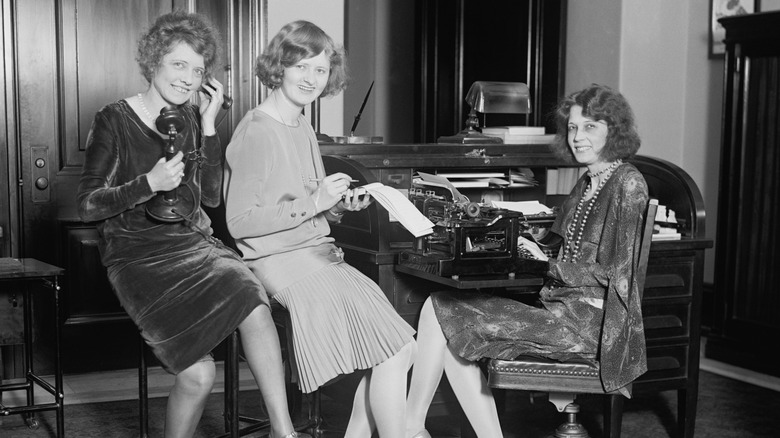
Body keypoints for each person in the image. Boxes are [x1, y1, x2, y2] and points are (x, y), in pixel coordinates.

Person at [77, 11, 307, 438]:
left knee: (253, 300)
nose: (188, 78)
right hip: (137, 257)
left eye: (198, 69)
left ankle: (283, 431)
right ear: (154, 62)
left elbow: (211, 196)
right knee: (199, 376)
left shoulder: (187, 119)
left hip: (193, 245)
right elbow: (89, 205)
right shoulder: (114, 119)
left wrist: (207, 126)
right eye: (179, 65)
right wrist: (148, 183)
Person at [404, 84, 650, 438]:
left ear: (614, 131)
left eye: (591, 127)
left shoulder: (628, 184)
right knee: (441, 311)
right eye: (573, 127)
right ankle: (415, 428)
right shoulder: (589, 181)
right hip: (561, 309)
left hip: (590, 326)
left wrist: (545, 265)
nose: (579, 137)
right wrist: (531, 244)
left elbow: (618, 276)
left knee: (441, 312)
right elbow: (567, 245)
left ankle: (410, 429)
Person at [223, 20, 417, 438]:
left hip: (317, 254)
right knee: (397, 351)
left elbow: (313, 211)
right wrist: (315, 203)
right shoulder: (257, 130)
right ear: (280, 66)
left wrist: (338, 209)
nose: (312, 79)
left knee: (401, 349)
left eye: (321, 69)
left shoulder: (302, 125)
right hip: (280, 262)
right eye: (302, 67)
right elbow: (238, 222)